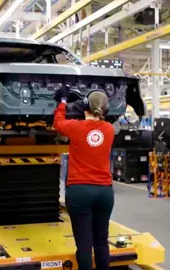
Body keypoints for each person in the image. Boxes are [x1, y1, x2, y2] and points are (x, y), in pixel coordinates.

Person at [53, 88, 115, 270]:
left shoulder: (75, 127)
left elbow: (58, 122)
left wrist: (63, 101)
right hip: (105, 192)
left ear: (84, 107)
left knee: (84, 245)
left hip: (80, 191)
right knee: (102, 241)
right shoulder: (109, 130)